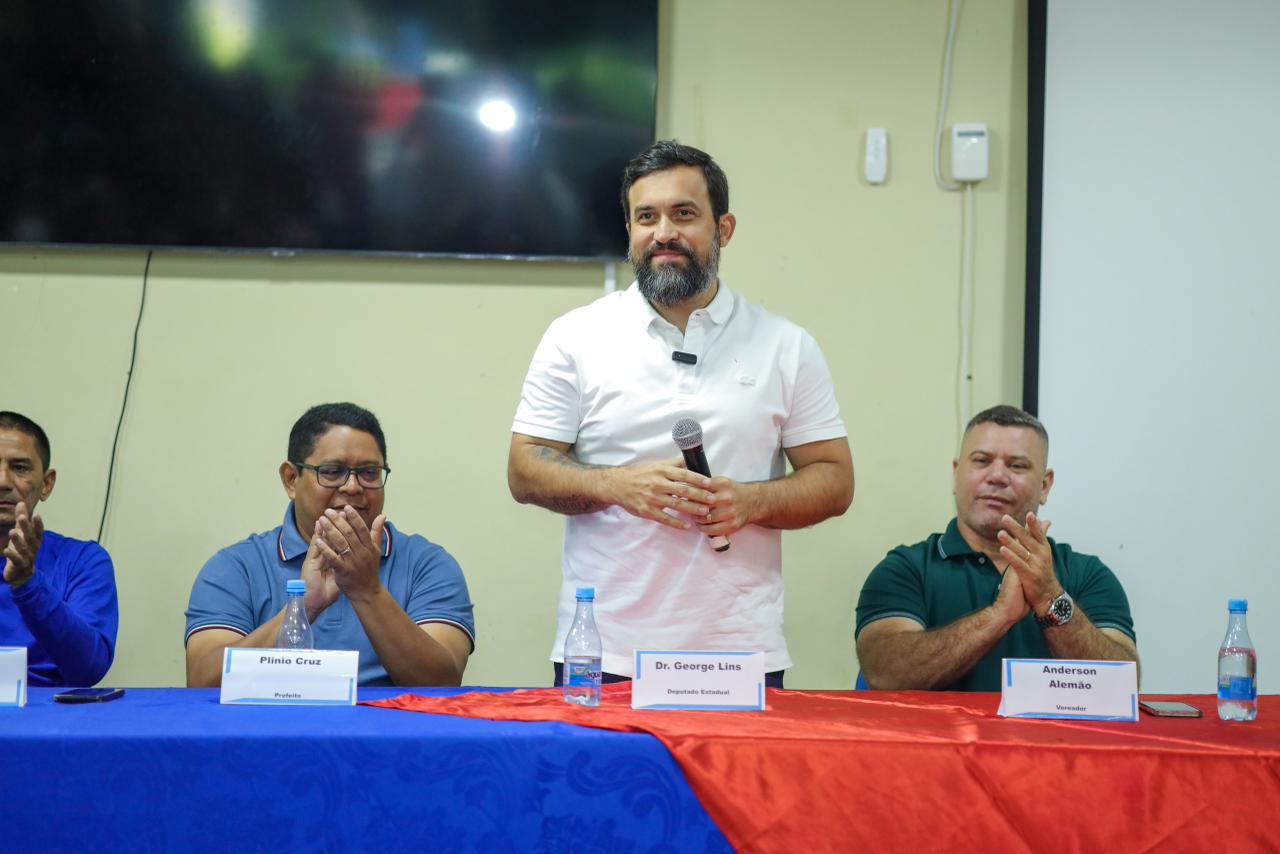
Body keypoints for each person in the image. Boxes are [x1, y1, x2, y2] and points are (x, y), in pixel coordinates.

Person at [509, 140, 854, 688]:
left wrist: (751, 501)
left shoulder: (786, 345)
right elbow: (525, 470)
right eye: (646, 217)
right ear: (630, 230)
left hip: (739, 653)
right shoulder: (575, 336)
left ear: (724, 229)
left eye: (684, 214)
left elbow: (835, 481)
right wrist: (617, 486)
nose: (663, 233)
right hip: (605, 652)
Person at [185, 403, 474, 687]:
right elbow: (202, 681)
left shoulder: (426, 564)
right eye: (333, 471)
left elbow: (442, 682)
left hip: (388, 719)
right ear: (291, 479)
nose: (353, 486)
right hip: (276, 719)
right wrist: (302, 609)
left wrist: (366, 590)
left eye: (369, 472)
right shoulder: (236, 568)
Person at [855, 405, 1138, 691]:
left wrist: (1049, 597)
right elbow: (884, 675)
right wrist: (999, 616)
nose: (997, 476)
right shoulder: (906, 568)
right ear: (956, 474)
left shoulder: (1087, 573)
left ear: (1045, 486)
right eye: (982, 461)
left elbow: (1123, 686)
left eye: (1017, 465)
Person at [0, 411, 118, 686]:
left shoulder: (82, 561)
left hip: (46, 710)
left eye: (19, 467)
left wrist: (27, 584)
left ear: (47, 484)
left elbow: (89, 669)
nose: (3, 481)